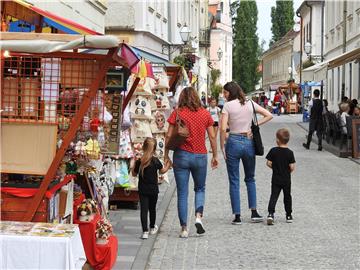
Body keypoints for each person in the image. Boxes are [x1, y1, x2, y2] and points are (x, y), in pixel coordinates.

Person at [165, 86, 218, 238]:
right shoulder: (205, 114)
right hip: (200, 156)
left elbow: (168, 136)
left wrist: (166, 155)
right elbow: (213, 137)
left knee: (182, 192)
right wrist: (215, 155)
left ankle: (183, 229)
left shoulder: (177, 113)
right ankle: (198, 217)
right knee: (200, 189)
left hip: (181, 156)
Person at [219, 81, 273, 224]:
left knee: (234, 180)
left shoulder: (227, 106)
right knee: (250, 178)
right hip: (248, 142)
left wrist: (221, 147)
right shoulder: (249, 103)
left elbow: (223, 128)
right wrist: (253, 127)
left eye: (225, 92)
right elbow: (268, 115)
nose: (223, 95)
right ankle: (254, 212)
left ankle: (237, 215)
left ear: (231, 92)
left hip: (233, 141)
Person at [132, 137, 172, 239]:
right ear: (154, 149)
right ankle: (152, 227)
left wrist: (133, 164)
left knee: (143, 210)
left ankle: (145, 231)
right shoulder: (155, 161)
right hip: (153, 189)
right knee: (152, 209)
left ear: (143, 147)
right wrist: (168, 166)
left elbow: (133, 174)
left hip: (143, 189)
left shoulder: (140, 161)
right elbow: (162, 171)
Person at [266, 129, 296, 225]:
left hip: (276, 178)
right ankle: (288, 215)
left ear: (278, 140)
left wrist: (275, 168)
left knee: (274, 196)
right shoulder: (290, 153)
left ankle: (271, 214)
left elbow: (268, 163)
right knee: (287, 196)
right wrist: (287, 171)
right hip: (286, 178)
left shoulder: (273, 151)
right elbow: (292, 167)